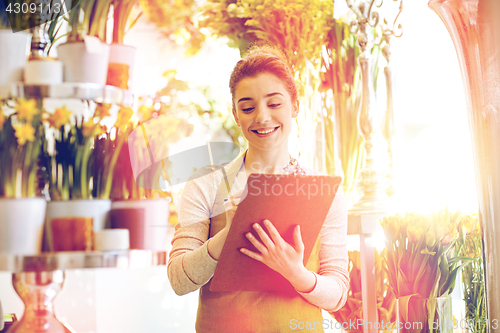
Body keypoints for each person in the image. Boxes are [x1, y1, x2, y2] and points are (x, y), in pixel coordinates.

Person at [167, 45, 349, 333]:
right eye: (248, 107)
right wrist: (227, 235)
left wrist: (297, 274)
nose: (262, 117)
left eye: (274, 104)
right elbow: (179, 280)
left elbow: (338, 292)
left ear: (295, 106)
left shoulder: (322, 191)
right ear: (236, 115)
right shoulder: (206, 185)